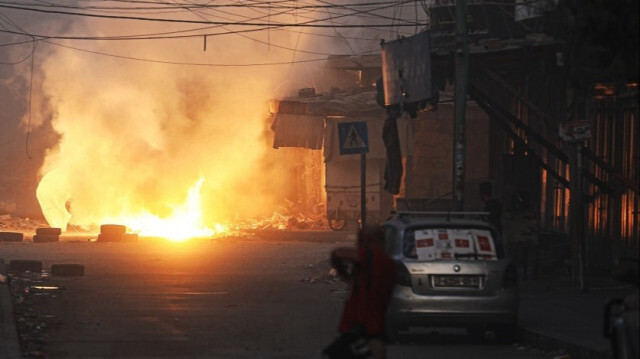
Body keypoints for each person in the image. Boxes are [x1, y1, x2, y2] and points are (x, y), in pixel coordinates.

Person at [329, 224, 396, 359]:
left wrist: (344, 275)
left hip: (364, 326)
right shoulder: (388, 262)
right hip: (374, 325)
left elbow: (338, 253)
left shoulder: (372, 256)